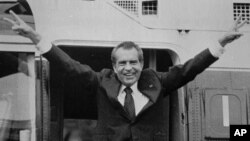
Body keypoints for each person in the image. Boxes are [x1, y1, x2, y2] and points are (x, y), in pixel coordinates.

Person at [2, 10, 248, 141]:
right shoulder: (102, 80)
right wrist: (36, 39)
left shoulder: (157, 81)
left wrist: (220, 43)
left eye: (133, 62)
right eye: (122, 63)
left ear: (141, 64)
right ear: (114, 66)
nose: (128, 68)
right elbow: (69, 66)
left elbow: (189, 69)